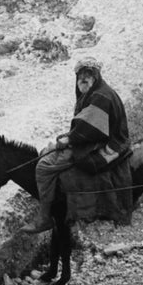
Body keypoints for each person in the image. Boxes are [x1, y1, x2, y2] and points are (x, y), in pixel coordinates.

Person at [33, 57, 134, 232]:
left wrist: (69, 139)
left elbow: (89, 128)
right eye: (81, 75)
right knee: (46, 151)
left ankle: (45, 218)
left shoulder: (101, 96)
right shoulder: (94, 93)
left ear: (96, 76)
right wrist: (69, 136)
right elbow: (86, 124)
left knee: (43, 166)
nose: (84, 78)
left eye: (89, 74)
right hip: (95, 138)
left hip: (104, 143)